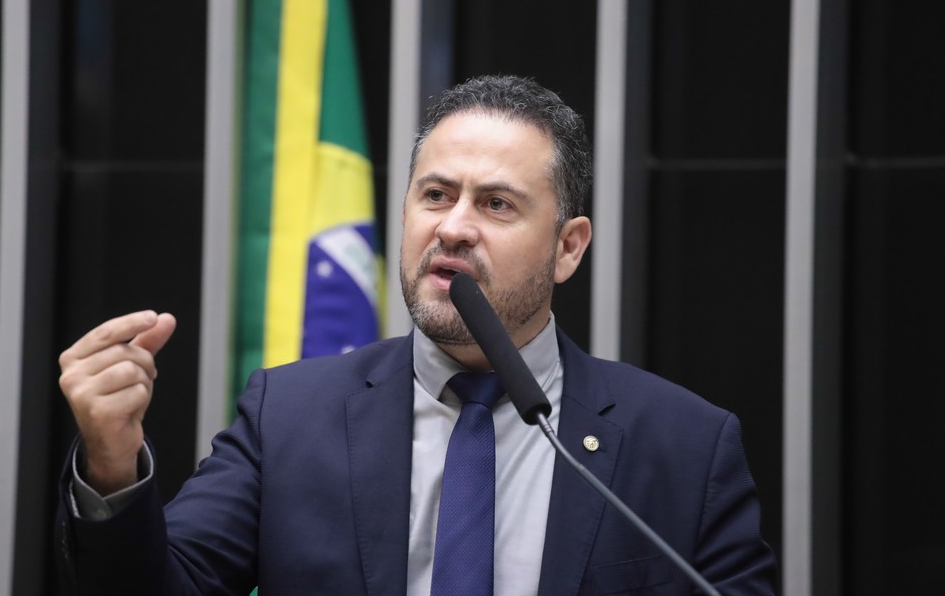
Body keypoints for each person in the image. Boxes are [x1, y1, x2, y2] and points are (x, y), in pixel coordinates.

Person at [55, 75, 778, 595]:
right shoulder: (289, 414)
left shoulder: (684, 444)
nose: (453, 226)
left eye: (496, 203)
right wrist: (113, 468)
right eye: (435, 194)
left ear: (568, 247)